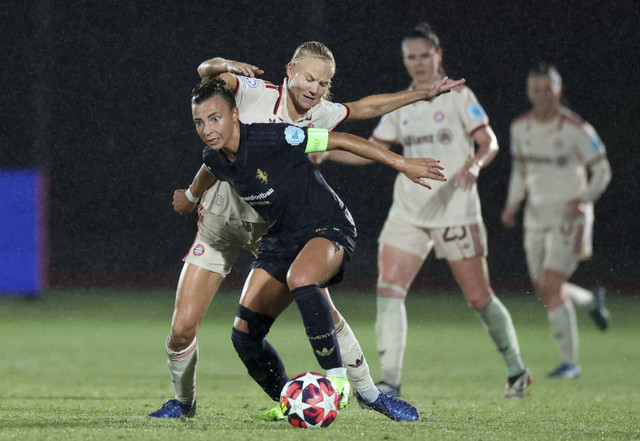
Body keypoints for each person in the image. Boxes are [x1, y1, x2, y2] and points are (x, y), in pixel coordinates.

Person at [149, 41, 464, 420]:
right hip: (220, 222)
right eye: (309, 78)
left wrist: (421, 97)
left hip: (273, 226)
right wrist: (191, 194)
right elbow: (207, 82)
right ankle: (186, 404)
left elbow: (366, 109)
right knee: (183, 330)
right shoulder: (251, 93)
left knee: (315, 300)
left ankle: (367, 393)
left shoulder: (314, 118)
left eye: (323, 82)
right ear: (290, 71)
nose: (314, 88)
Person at [325, 23, 532, 398]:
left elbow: (489, 142)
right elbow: (373, 148)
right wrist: (326, 150)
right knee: (389, 288)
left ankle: (517, 370)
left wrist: (475, 165)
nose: (418, 63)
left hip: (456, 211)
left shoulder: (458, 95)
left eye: (424, 55)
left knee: (479, 297)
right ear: (405, 61)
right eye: (411, 57)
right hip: (409, 211)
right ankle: (390, 380)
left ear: (438, 55)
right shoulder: (403, 102)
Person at [501, 62, 612, 379]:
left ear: (558, 91)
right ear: (528, 93)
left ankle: (570, 363)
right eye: (536, 89)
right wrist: (513, 204)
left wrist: (585, 198)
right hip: (535, 217)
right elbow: (519, 171)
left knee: (550, 285)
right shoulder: (520, 128)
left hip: (569, 218)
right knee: (544, 288)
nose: (542, 95)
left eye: (548, 88)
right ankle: (591, 300)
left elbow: (603, 170)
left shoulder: (577, 129)